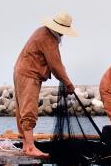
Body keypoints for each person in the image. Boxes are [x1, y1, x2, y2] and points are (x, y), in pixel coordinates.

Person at [14, 11, 78, 157]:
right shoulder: (48, 38)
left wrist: (65, 79)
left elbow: (57, 63)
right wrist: (68, 84)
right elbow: (56, 66)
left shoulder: (42, 31)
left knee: (22, 108)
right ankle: (30, 147)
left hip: (21, 71)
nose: (63, 35)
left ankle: (25, 144)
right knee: (28, 109)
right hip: (29, 74)